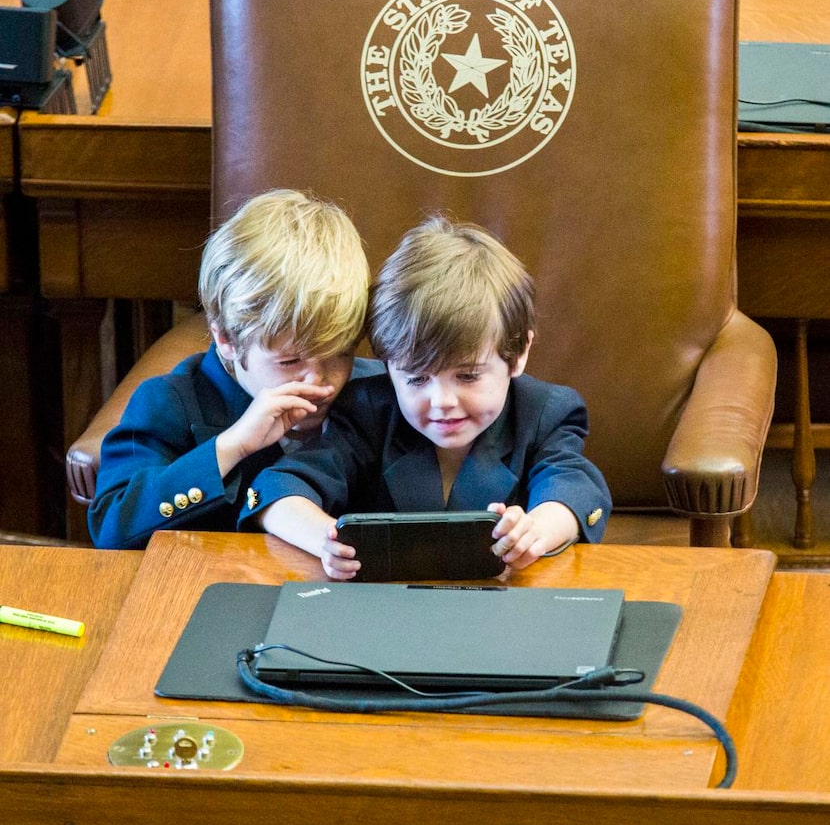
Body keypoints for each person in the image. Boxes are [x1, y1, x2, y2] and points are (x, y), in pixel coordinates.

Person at [239, 215, 612, 578]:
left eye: (467, 375)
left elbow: (574, 487)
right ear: (387, 367)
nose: (442, 400)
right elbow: (278, 489)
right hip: (383, 607)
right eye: (417, 379)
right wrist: (324, 540)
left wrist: (535, 531)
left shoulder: (544, 412)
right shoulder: (368, 411)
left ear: (517, 354)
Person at [88, 188, 381, 549]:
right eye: (290, 361)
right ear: (226, 338)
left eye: (341, 355)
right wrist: (230, 447)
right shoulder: (170, 403)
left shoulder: (374, 393)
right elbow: (111, 529)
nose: (320, 382)